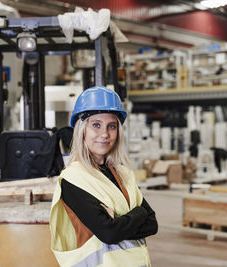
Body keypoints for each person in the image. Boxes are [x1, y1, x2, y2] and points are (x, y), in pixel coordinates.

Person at [50, 86, 158, 267]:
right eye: (96, 125)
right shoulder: (73, 179)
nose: (105, 134)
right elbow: (109, 234)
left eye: (112, 126)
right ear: (82, 130)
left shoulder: (123, 174)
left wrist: (119, 221)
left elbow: (153, 224)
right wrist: (140, 213)